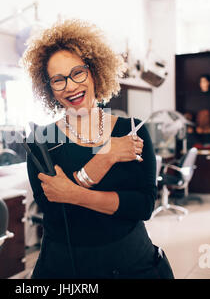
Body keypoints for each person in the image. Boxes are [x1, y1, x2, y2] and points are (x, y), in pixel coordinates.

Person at [21, 19, 174, 279]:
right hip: (65, 266)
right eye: (58, 80)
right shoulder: (41, 142)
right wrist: (106, 156)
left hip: (132, 262)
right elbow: (58, 214)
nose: (70, 86)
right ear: (49, 88)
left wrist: (73, 192)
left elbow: (143, 206)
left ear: (94, 71)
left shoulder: (132, 130)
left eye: (77, 73)